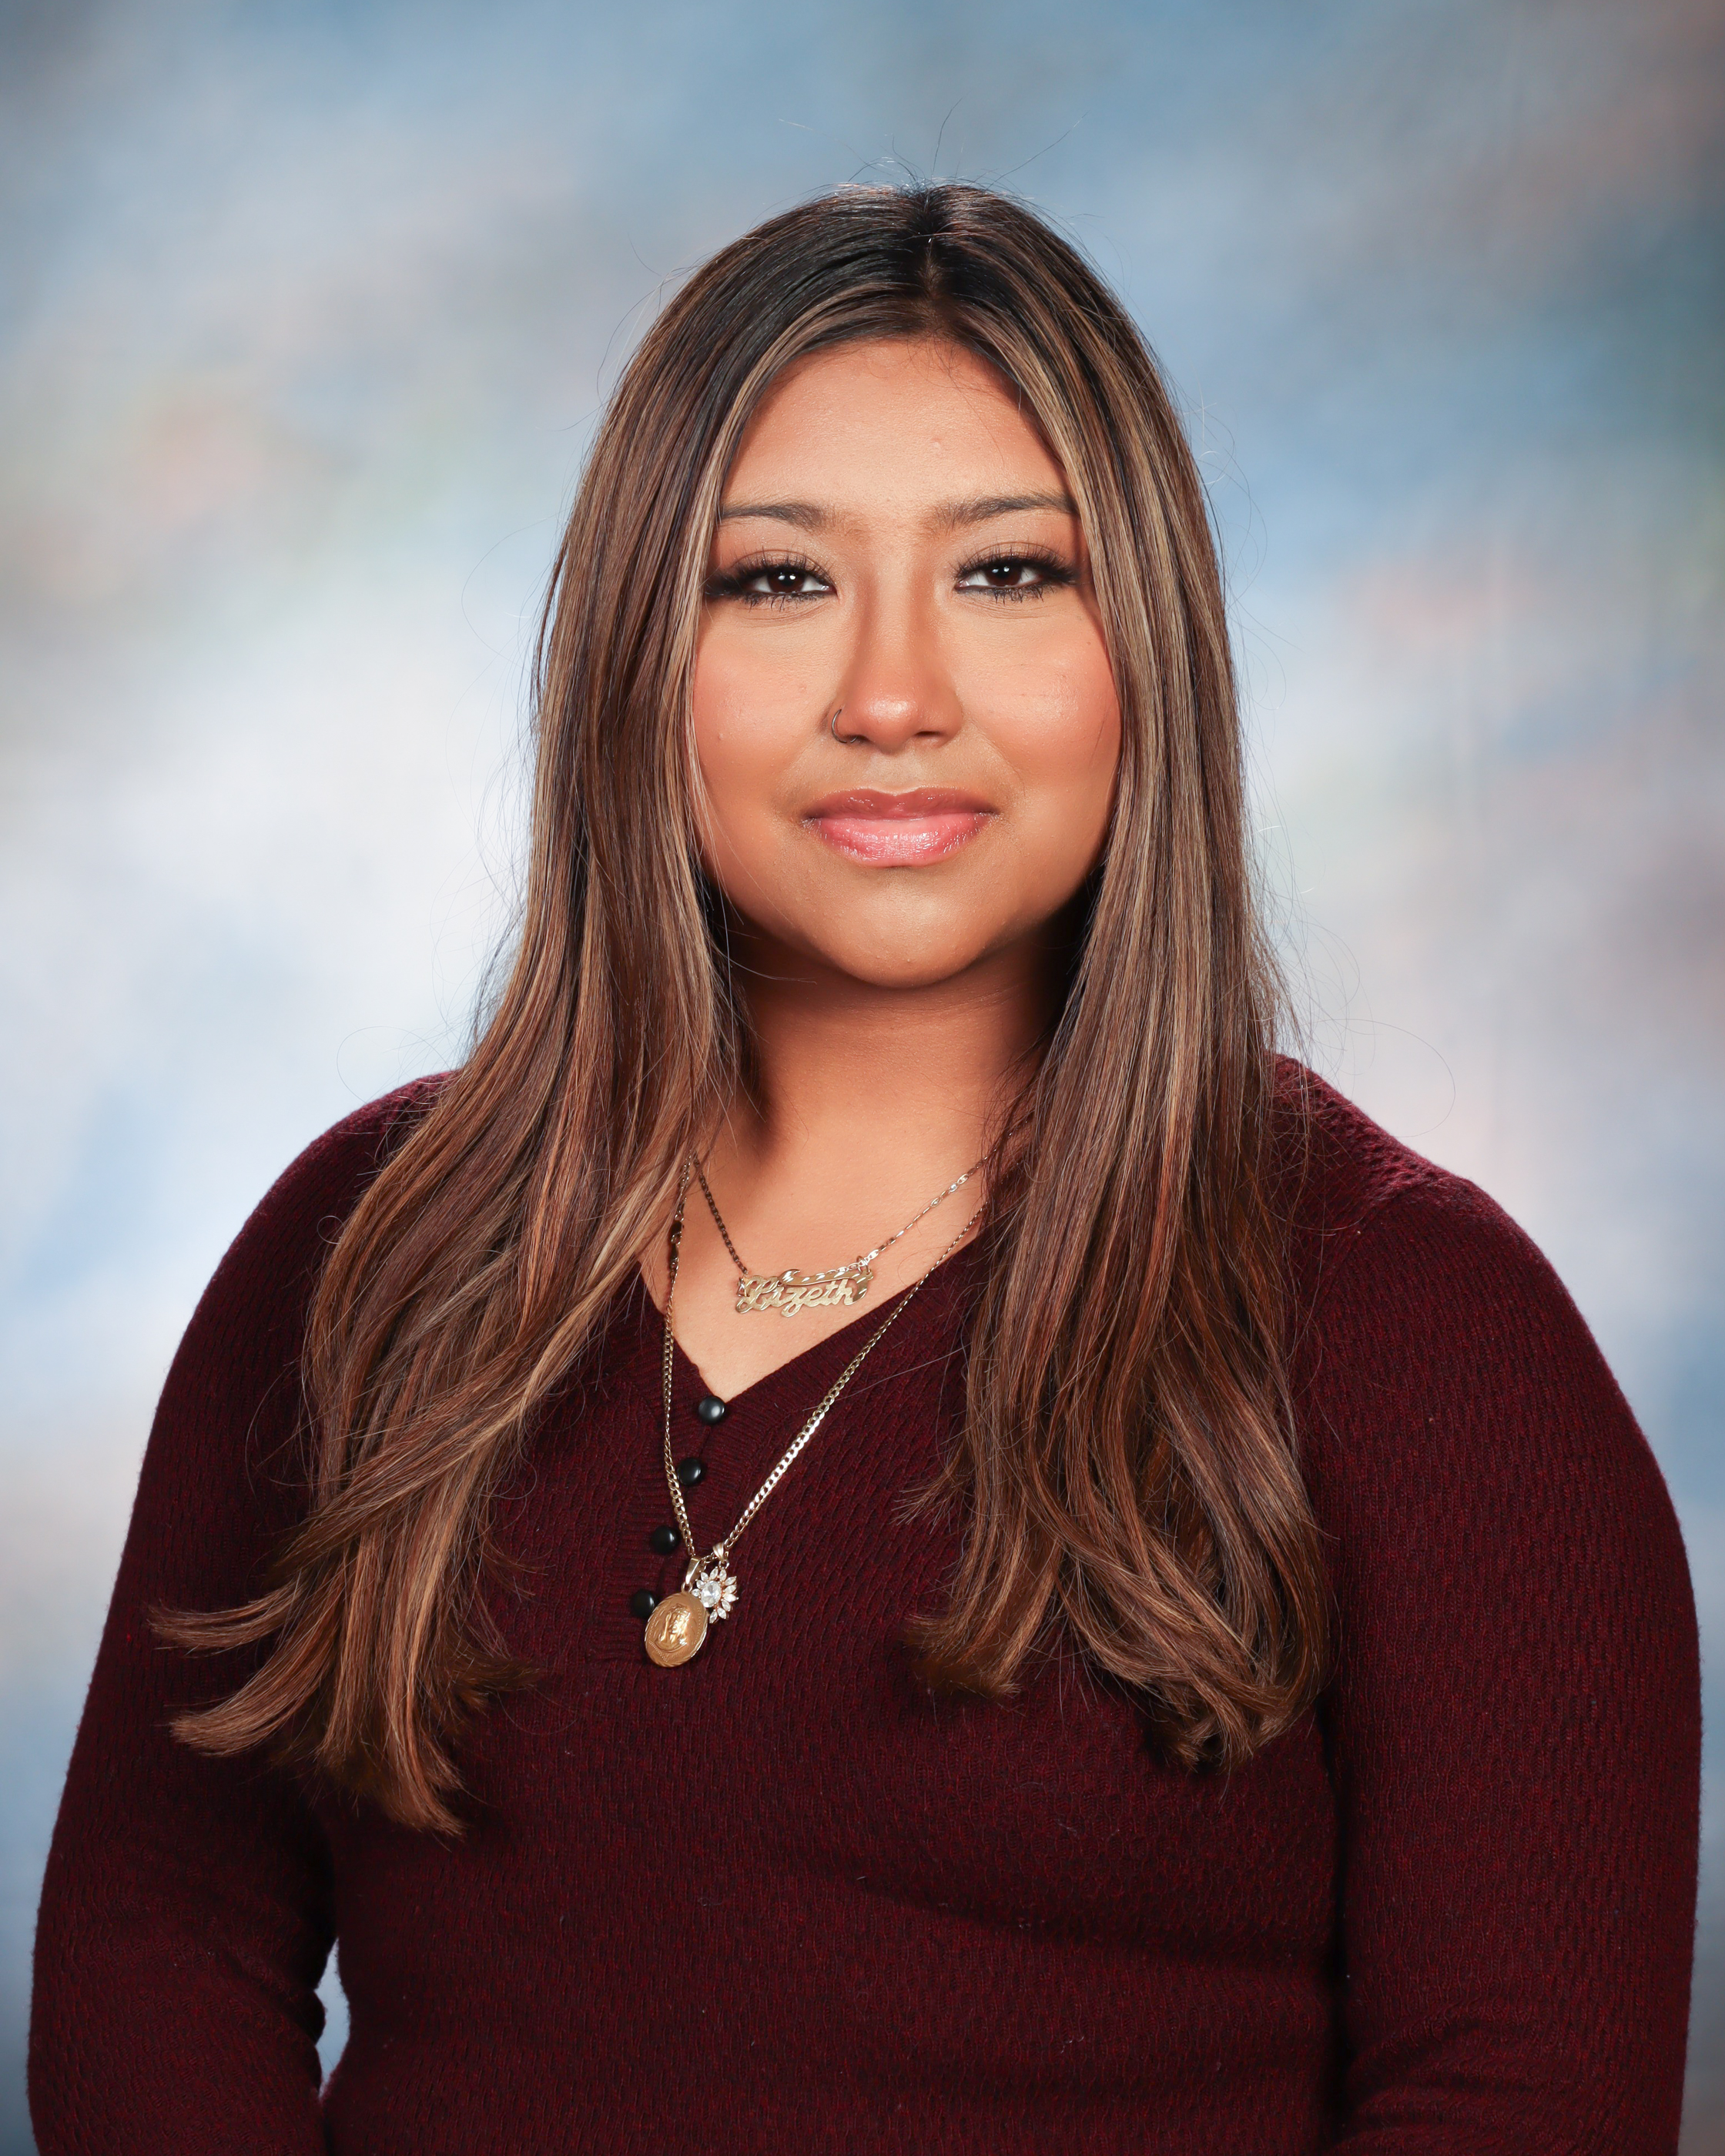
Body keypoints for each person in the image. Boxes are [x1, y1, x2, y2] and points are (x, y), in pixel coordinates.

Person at [29, 182, 1700, 2153]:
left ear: (1144, 650)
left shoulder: (1418, 1322)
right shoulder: (367, 1250)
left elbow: (1521, 2091)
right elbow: (157, 1948)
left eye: (1006, 572)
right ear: (639, 653)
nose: (893, 697)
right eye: (776, 580)